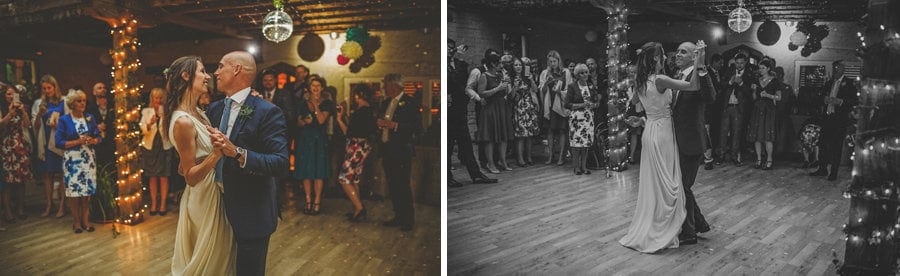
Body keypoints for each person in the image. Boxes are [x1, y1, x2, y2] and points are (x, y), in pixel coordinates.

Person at [207, 51, 288, 275]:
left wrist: (238, 153)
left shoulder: (267, 112)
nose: (215, 72)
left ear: (237, 70)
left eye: (221, 66)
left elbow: (280, 162)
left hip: (251, 208)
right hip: (214, 206)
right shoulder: (214, 110)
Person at [619, 41, 704, 253]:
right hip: (664, 133)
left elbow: (636, 105)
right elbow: (693, 86)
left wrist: (640, 121)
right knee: (669, 181)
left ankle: (656, 221)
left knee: (656, 182)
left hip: (650, 131)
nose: (666, 57)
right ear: (656, 58)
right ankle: (665, 225)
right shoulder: (660, 79)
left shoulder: (640, 81)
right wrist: (699, 60)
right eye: (663, 54)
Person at [163, 56, 236, 274]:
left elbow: (184, 164)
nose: (208, 77)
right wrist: (217, 154)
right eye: (202, 71)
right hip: (204, 197)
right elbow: (190, 176)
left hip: (213, 191)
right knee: (212, 261)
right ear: (186, 76)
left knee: (222, 256)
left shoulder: (199, 113)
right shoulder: (183, 121)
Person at [670, 41, 715, 245]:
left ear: (693, 57)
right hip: (675, 141)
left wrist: (701, 68)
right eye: (678, 51)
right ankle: (700, 224)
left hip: (691, 141)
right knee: (681, 186)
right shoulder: (676, 77)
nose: (678, 54)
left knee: (683, 186)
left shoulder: (699, 74)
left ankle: (689, 233)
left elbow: (710, 97)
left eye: (683, 52)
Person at [448, 39, 497, 187]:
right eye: (448, 48)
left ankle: (476, 175)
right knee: (448, 145)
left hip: (460, 109)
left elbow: (464, 81)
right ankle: (447, 177)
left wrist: (460, 59)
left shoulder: (459, 64)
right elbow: (452, 81)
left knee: (466, 144)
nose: (451, 50)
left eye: (452, 48)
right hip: (448, 111)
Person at [378, 73, 421, 232]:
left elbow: (416, 128)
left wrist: (394, 125)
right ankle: (398, 216)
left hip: (402, 150)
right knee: (393, 185)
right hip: (387, 149)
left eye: (386, 85)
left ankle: (408, 219)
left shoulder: (410, 103)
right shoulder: (385, 103)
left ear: (395, 86)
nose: (383, 88)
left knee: (403, 184)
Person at [55, 90, 100, 233]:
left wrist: (93, 140)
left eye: (84, 101)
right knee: (74, 192)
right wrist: (78, 141)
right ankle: (76, 222)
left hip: (88, 158)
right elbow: (59, 142)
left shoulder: (90, 117)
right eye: (79, 101)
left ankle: (86, 220)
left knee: (87, 192)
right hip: (72, 160)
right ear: (72, 104)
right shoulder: (64, 120)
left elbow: (99, 137)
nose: (82, 103)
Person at [810, 60, 857, 181]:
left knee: (836, 146)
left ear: (843, 70)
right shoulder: (829, 82)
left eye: (838, 68)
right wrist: (823, 99)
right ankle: (822, 168)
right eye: (834, 68)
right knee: (823, 143)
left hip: (839, 119)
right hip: (827, 117)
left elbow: (854, 101)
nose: (835, 71)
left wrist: (840, 102)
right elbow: (819, 96)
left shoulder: (850, 83)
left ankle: (834, 172)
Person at [335, 85, 377, 221]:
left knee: (344, 178)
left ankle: (359, 208)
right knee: (354, 179)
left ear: (359, 96)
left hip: (356, 146)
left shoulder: (362, 112)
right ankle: (357, 209)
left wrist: (339, 119)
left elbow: (348, 132)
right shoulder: (369, 111)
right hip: (363, 146)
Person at [293, 76, 333, 215]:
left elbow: (322, 120)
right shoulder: (302, 103)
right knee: (306, 172)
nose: (315, 88)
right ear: (309, 88)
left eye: (318, 85)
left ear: (322, 88)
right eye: (313, 85)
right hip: (305, 139)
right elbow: (298, 122)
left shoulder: (327, 103)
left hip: (319, 140)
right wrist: (304, 121)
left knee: (318, 172)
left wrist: (315, 104)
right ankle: (308, 201)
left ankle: (317, 202)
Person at [32, 75, 69, 218]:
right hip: (45, 142)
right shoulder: (38, 103)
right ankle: (49, 205)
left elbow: (69, 123)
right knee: (47, 175)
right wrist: (39, 116)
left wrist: (58, 125)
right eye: (44, 88)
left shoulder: (63, 101)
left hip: (58, 142)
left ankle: (62, 205)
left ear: (55, 87)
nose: (47, 91)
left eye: (49, 88)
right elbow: (34, 127)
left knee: (61, 174)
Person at [470, 52, 512, 173]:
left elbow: (506, 93)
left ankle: (503, 161)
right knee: (490, 137)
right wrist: (497, 88)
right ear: (493, 64)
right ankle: (490, 163)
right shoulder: (484, 76)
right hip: (490, 108)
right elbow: (481, 93)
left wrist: (507, 84)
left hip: (501, 107)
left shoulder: (500, 75)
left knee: (503, 136)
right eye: (499, 63)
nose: (502, 66)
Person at [0, 84, 32, 222]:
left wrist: (23, 112)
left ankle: (20, 208)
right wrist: (9, 114)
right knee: (7, 181)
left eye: (13, 94)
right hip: (6, 146)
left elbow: (27, 125)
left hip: (19, 145)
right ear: (4, 96)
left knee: (21, 179)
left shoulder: (21, 108)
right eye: (8, 94)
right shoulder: (2, 108)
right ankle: (7, 211)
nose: (11, 96)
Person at [141, 88, 174, 216]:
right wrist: (149, 124)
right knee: (152, 177)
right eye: (156, 98)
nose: (158, 100)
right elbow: (143, 130)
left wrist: (164, 118)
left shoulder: (168, 112)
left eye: (160, 98)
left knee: (164, 176)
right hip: (150, 147)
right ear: (152, 99)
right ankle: (154, 204)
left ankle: (163, 204)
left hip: (164, 147)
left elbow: (171, 129)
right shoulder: (146, 111)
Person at [716, 53, 753, 166]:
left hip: (739, 108)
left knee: (736, 134)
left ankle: (734, 157)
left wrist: (741, 83)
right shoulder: (728, 72)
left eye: (741, 63)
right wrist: (730, 82)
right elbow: (720, 86)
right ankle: (721, 156)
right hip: (727, 107)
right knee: (723, 133)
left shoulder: (749, 74)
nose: (739, 65)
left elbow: (750, 94)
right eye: (737, 63)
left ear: (745, 62)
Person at [746, 58, 782, 170]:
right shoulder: (757, 80)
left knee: (768, 137)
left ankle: (769, 160)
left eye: (763, 68)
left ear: (768, 69)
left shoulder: (775, 81)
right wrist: (753, 91)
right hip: (757, 109)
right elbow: (754, 98)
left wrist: (768, 95)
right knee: (757, 137)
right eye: (759, 68)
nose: (760, 70)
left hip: (769, 110)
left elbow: (779, 97)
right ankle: (758, 159)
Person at [540, 50, 572, 166]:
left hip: (561, 104)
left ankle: (562, 156)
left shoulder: (566, 72)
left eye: (554, 61)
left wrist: (560, 92)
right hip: (550, 104)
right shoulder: (545, 73)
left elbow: (569, 90)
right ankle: (550, 155)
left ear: (559, 61)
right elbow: (542, 91)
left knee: (562, 130)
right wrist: (546, 83)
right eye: (550, 61)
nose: (552, 63)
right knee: (550, 131)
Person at [564, 64, 598, 175]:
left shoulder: (591, 86)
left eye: (586, 72)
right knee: (576, 144)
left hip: (588, 118)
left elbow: (597, 102)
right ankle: (576, 167)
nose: (584, 74)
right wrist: (582, 105)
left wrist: (593, 105)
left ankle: (584, 167)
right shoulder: (572, 86)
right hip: (576, 119)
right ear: (577, 75)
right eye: (581, 73)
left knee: (585, 144)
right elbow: (567, 104)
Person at [511, 56, 540, 167]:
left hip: (529, 106)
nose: (518, 67)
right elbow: (511, 97)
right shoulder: (511, 78)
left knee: (530, 134)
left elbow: (535, 90)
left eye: (520, 65)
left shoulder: (526, 77)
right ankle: (520, 158)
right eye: (516, 65)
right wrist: (515, 86)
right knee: (520, 135)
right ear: (513, 67)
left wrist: (531, 79)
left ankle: (529, 156)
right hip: (519, 107)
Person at [86, 82, 115, 166]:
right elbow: (87, 124)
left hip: (111, 141)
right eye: (99, 88)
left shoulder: (112, 106)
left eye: (104, 88)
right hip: (97, 143)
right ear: (94, 92)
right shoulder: (90, 108)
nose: (103, 89)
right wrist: (96, 127)